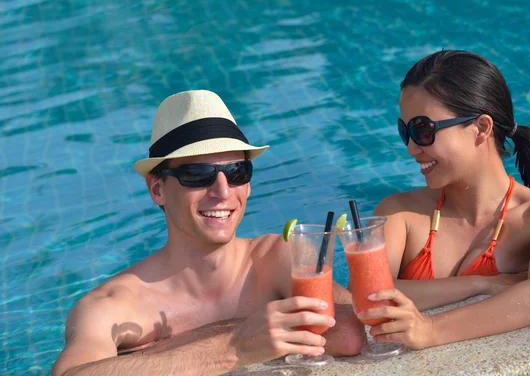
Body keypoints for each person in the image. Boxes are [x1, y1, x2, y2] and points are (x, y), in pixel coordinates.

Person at [51, 90, 365, 376]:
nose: (222, 191)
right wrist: (235, 345)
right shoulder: (112, 305)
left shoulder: (276, 257)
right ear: (157, 189)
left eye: (236, 172)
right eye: (197, 174)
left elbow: (353, 332)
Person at [359, 50, 530, 350]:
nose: (411, 148)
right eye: (405, 131)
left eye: (422, 130)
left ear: (481, 128)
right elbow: (369, 295)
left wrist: (431, 330)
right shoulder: (400, 213)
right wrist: (481, 284)